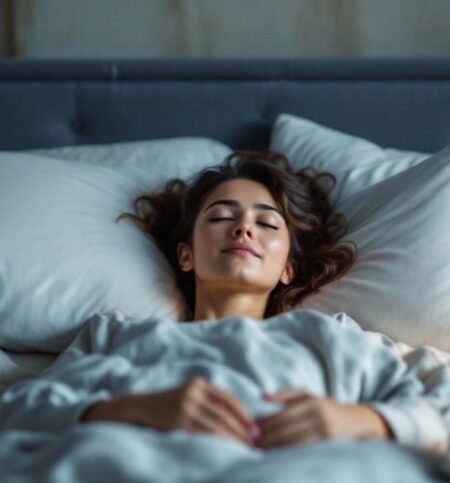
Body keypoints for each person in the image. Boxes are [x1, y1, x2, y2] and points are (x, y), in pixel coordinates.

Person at [0, 150, 445, 451]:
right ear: (187, 254)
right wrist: (130, 409)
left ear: (288, 268)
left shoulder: (330, 336)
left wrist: (367, 423)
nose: (243, 229)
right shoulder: (116, 334)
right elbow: (18, 411)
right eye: (222, 216)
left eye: (267, 224)